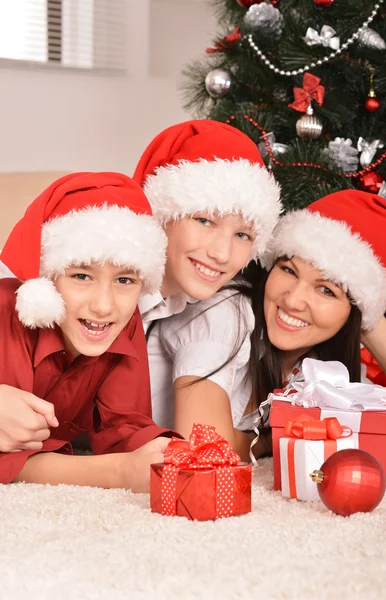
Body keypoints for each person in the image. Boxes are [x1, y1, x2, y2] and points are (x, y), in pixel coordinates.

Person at [0, 171, 176, 491]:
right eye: (82, 276)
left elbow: (124, 427)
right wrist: (120, 473)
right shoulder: (8, 315)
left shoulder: (126, 318)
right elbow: (8, 455)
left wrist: (174, 454)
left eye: (125, 280)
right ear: (47, 279)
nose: (104, 306)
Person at [132, 120, 282, 459]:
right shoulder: (101, 277)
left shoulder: (183, 304)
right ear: (164, 213)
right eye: (204, 220)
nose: (222, 254)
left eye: (242, 235)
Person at [248, 189, 386, 416]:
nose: (293, 300)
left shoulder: (325, 373)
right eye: (289, 270)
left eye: (326, 290)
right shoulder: (228, 319)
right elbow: (204, 440)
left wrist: (370, 320)